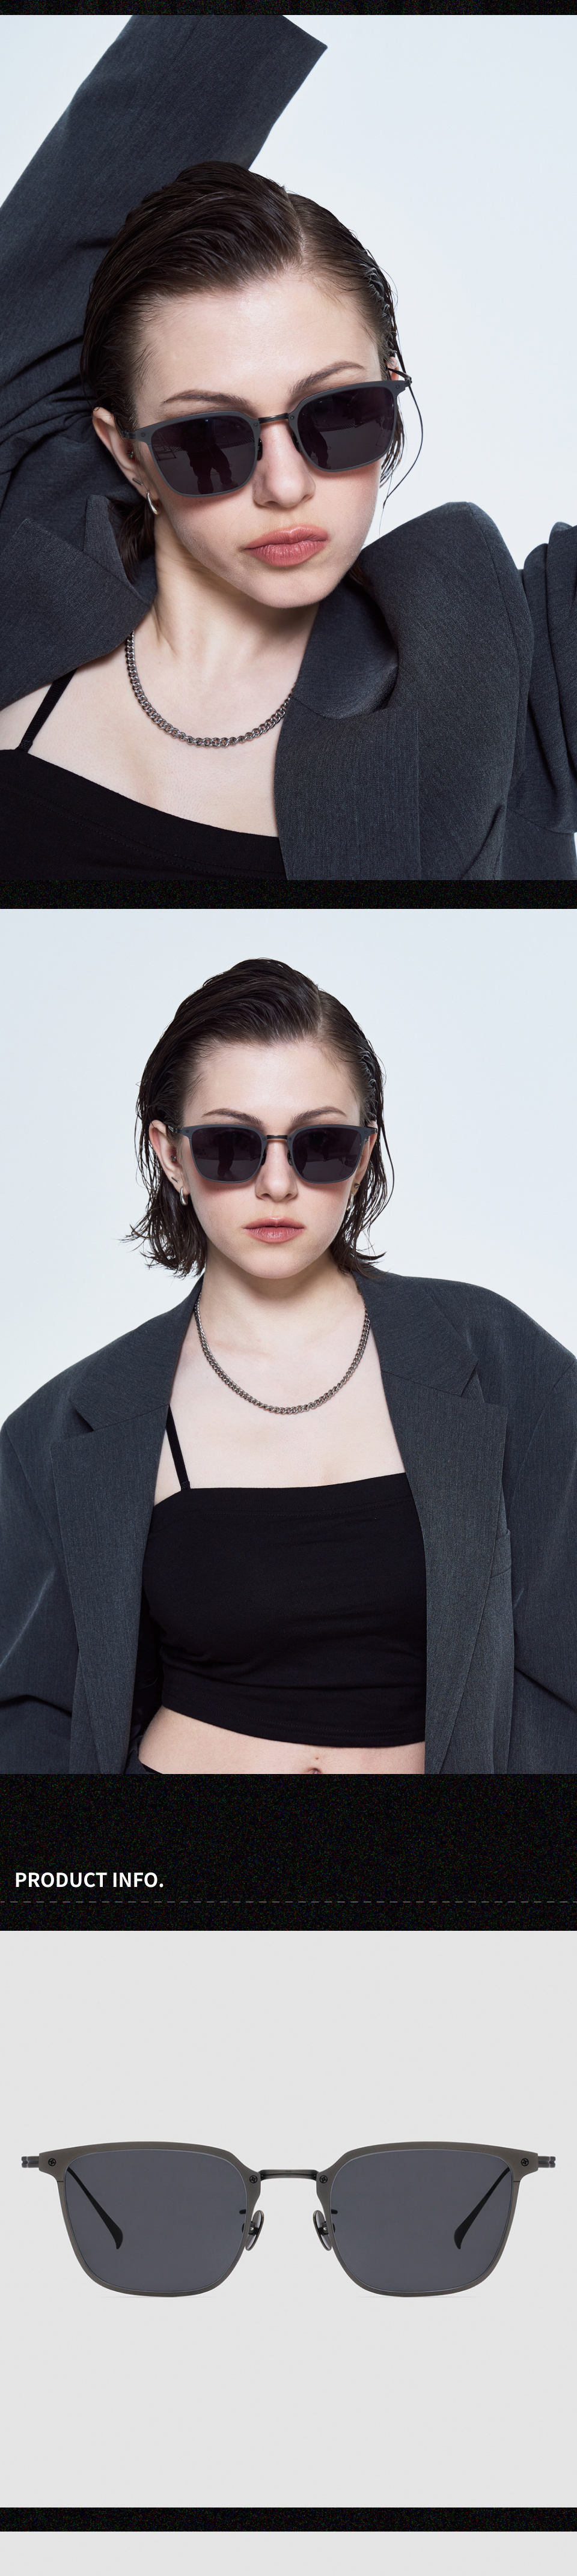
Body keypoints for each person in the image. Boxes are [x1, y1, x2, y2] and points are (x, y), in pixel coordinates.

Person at [0, 26, 575, 883]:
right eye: (207, 438)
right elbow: (110, 162)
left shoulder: (498, 664)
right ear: (127, 453)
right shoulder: (22, 532)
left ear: (391, 389)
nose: (284, 483)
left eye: (338, 415)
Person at [1, 957, 576, 1777]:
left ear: (364, 1152)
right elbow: (30, 1713)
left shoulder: (495, 1358)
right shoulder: (72, 1425)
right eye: (230, 1146)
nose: (277, 1184)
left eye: (320, 1145)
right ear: (170, 1155)